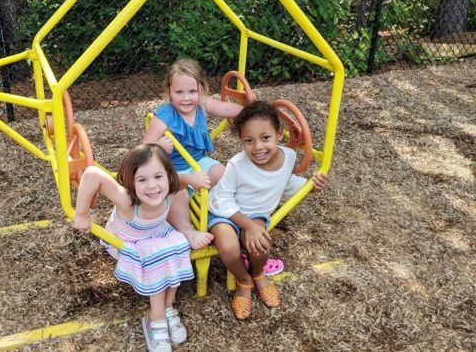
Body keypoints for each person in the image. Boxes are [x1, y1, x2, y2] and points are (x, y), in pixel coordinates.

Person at [143, 58, 283, 277]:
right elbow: (145, 147)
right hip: (175, 167)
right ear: (168, 92)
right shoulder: (164, 116)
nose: (187, 98)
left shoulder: (202, 105)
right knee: (174, 193)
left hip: (199, 161)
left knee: (222, 174)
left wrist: (251, 113)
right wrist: (159, 147)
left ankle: (237, 218)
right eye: (179, 92)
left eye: (192, 91)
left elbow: (227, 108)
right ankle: (188, 231)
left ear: (202, 89)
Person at [208, 100, 328, 320]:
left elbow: (285, 183)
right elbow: (221, 200)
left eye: (265, 138)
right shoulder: (237, 165)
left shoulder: (288, 158)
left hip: (256, 214)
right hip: (226, 211)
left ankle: (258, 272)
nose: (258, 147)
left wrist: (310, 187)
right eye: (249, 141)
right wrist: (246, 225)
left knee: (261, 245)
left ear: (279, 135)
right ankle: (244, 280)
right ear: (242, 142)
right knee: (228, 247)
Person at [72, 144, 193, 352]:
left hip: (157, 234)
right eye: (142, 180)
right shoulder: (127, 200)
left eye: (158, 176)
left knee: (180, 244)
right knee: (158, 256)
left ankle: (167, 307)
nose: (153, 186)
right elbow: (92, 173)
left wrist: (192, 180)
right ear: (130, 183)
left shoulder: (169, 190)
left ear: (168, 176)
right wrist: (82, 213)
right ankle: (155, 319)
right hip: (128, 243)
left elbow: (180, 181)